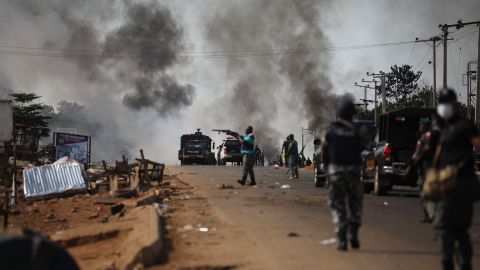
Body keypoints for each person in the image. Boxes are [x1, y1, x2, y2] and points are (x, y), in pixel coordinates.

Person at [431, 88, 480, 270]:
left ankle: (449, 264)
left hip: (459, 183)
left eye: (447, 102)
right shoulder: (443, 128)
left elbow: (478, 143)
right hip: (447, 183)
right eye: (441, 102)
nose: (444, 106)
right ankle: (463, 264)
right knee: (458, 230)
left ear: (454, 103)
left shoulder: (465, 126)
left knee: (447, 227)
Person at [322, 97, 364, 251]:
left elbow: (324, 152)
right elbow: (363, 147)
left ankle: (342, 239)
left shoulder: (330, 130)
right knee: (355, 203)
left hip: (336, 172)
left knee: (338, 204)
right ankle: (353, 233)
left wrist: (327, 168)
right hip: (353, 172)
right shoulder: (358, 130)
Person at [406, 118, 439, 223]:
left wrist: (413, 165)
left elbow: (423, 152)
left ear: (425, 126)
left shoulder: (428, 136)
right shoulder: (423, 137)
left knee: (426, 193)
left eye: (422, 125)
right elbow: (417, 153)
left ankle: (432, 215)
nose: (420, 127)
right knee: (425, 192)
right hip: (424, 168)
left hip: (428, 168)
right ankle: (429, 215)